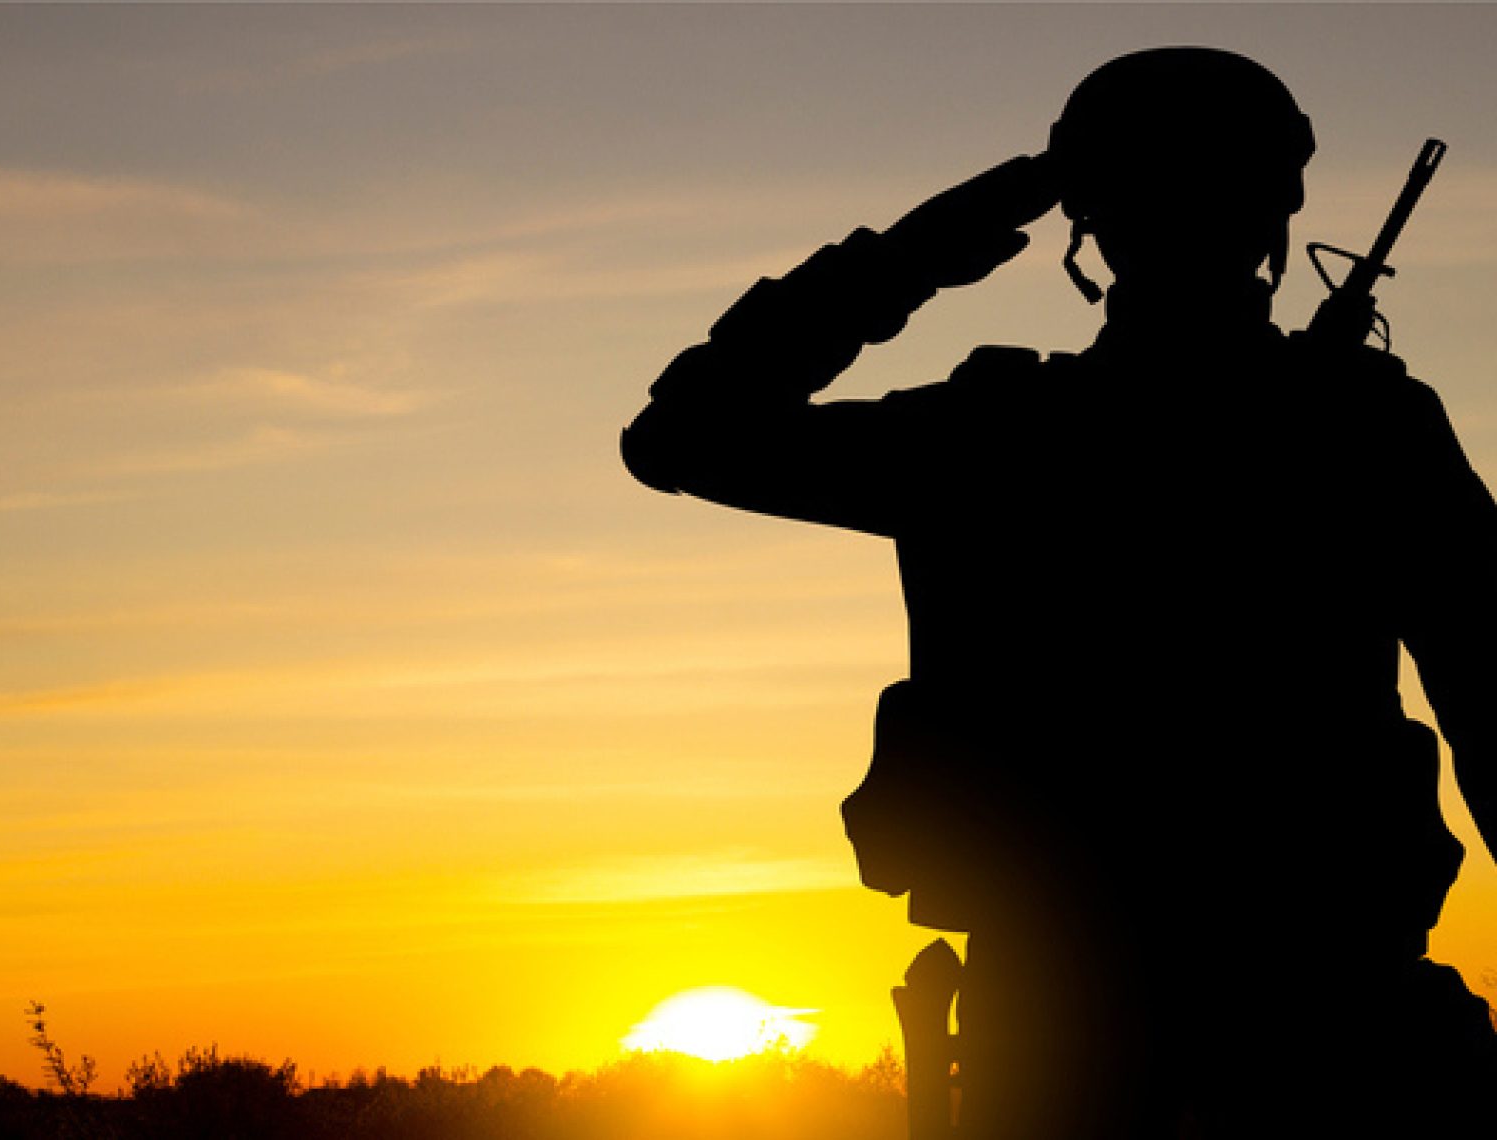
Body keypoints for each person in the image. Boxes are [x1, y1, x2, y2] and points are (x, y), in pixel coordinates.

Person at [622, 46, 1497, 1137]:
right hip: (1325, 1023)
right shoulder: (1364, 427)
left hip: (1061, 1039)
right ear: (1274, 215)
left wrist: (920, 251)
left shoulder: (990, 435)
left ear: (1089, 223)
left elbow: (682, 436)